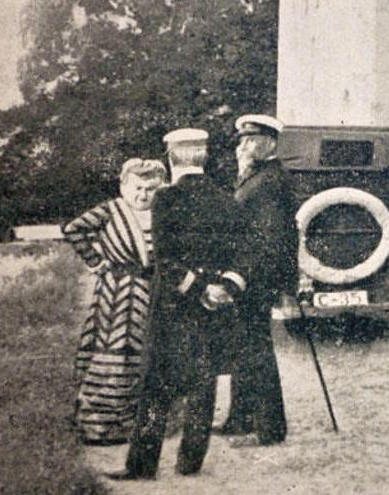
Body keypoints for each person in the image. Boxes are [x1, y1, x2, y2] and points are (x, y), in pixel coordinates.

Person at [107, 128, 247, 479]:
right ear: (205, 157)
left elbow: (166, 262)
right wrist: (222, 287)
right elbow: (244, 256)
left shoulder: (165, 199)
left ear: (171, 158)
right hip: (213, 307)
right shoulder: (227, 199)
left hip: (173, 308)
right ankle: (190, 464)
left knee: (156, 388)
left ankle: (142, 466)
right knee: (203, 384)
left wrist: (197, 287)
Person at [62, 158, 167, 445]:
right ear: (123, 187)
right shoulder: (109, 210)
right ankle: (101, 424)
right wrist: (96, 262)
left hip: (153, 292)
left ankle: (137, 419)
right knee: (114, 350)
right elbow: (73, 230)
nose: (143, 195)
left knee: (147, 352)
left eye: (150, 189)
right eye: (137, 188)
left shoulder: (163, 211)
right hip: (118, 292)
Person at [213, 114, 300, 445]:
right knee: (245, 347)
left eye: (250, 141)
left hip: (256, 277)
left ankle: (270, 427)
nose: (242, 146)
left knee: (256, 349)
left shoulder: (269, 181)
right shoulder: (257, 175)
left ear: (270, 144)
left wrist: (244, 277)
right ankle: (240, 419)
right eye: (242, 141)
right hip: (251, 275)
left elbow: (268, 238)